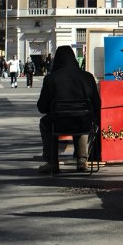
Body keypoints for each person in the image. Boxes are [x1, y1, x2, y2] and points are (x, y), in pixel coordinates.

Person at [37, 45, 101, 173]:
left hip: (58, 123)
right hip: (83, 123)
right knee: (83, 117)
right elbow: (96, 103)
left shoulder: (51, 78)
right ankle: (82, 160)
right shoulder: (87, 77)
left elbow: (42, 107)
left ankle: (52, 162)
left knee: (45, 122)